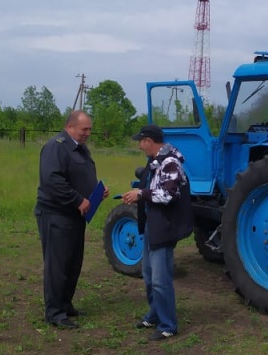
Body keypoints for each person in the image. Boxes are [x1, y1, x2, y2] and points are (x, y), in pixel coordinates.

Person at [34, 110, 108, 329]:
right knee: (58, 264)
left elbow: (79, 175)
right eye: (84, 129)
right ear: (70, 127)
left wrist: (95, 193)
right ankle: (54, 312)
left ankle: (65, 304)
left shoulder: (80, 148)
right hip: (56, 214)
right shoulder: (56, 147)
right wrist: (77, 199)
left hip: (76, 215)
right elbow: (52, 180)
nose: (88, 133)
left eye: (90, 129)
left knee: (73, 262)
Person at [121, 124, 193, 341]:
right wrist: (139, 192)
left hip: (164, 227)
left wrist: (141, 194)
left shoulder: (170, 162)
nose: (139, 146)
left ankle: (168, 325)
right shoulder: (155, 162)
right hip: (153, 225)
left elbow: (169, 194)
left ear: (149, 141)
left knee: (161, 279)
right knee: (149, 274)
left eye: (140, 142)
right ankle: (155, 314)